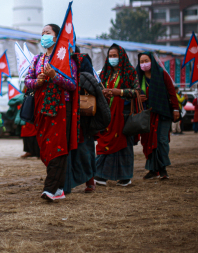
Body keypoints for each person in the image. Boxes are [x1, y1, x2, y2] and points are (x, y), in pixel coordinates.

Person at [25, 23, 79, 201]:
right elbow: (27, 81)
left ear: (56, 37)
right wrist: (38, 81)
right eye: (42, 33)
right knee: (46, 146)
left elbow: (72, 84)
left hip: (60, 108)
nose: (44, 36)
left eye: (47, 33)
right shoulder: (37, 59)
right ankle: (59, 189)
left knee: (58, 146)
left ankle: (50, 188)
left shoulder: (65, 59)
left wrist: (54, 76)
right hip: (41, 108)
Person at [64, 52, 109, 194]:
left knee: (85, 152)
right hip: (71, 121)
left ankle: (90, 181)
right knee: (74, 153)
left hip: (84, 124)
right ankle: (72, 181)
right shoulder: (65, 77)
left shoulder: (87, 78)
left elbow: (99, 101)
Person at [95, 44, 139, 187]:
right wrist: (104, 93)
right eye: (110, 56)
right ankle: (101, 176)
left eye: (115, 56)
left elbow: (137, 92)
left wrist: (118, 92)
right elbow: (98, 89)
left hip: (123, 115)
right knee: (105, 143)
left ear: (122, 57)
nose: (112, 59)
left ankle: (124, 177)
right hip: (107, 115)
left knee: (123, 146)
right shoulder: (105, 73)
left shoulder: (130, 72)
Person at [136, 52, 179, 180]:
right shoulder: (138, 77)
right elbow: (133, 92)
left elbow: (171, 91)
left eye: (146, 60)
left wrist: (176, 109)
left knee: (161, 140)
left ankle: (163, 169)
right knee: (148, 142)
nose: (144, 64)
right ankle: (153, 170)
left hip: (162, 112)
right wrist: (138, 96)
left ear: (152, 61)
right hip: (146, 114)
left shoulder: (161, 73)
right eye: (141, 61)